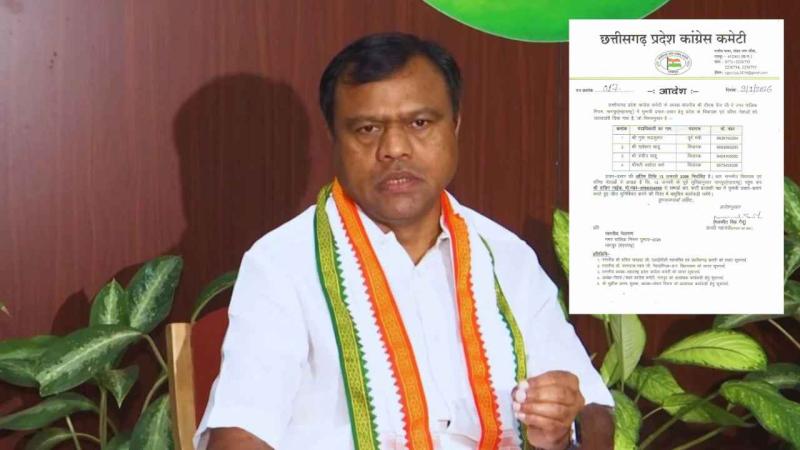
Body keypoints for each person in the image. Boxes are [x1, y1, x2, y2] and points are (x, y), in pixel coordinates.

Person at [195, 32, 614, 450]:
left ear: (455, 125)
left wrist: (563, 429)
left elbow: (595, 410)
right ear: (334, 138)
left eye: (419, 123)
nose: (394, 148)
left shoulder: (506, 256)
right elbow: (238, 436)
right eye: (367, 129)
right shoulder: (282, 264)